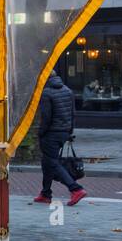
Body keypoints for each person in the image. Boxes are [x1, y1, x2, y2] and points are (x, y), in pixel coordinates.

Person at [33, 70, 87, 206]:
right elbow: (73, 114)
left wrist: (41, 132)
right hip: (63, 132)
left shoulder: (46, 93)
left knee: (52, 162)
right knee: (47, 161)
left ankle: (76, 189)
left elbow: (46, 117)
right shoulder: (68, 91)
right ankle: (45, 193)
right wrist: (69, 131)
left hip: (51, 133)